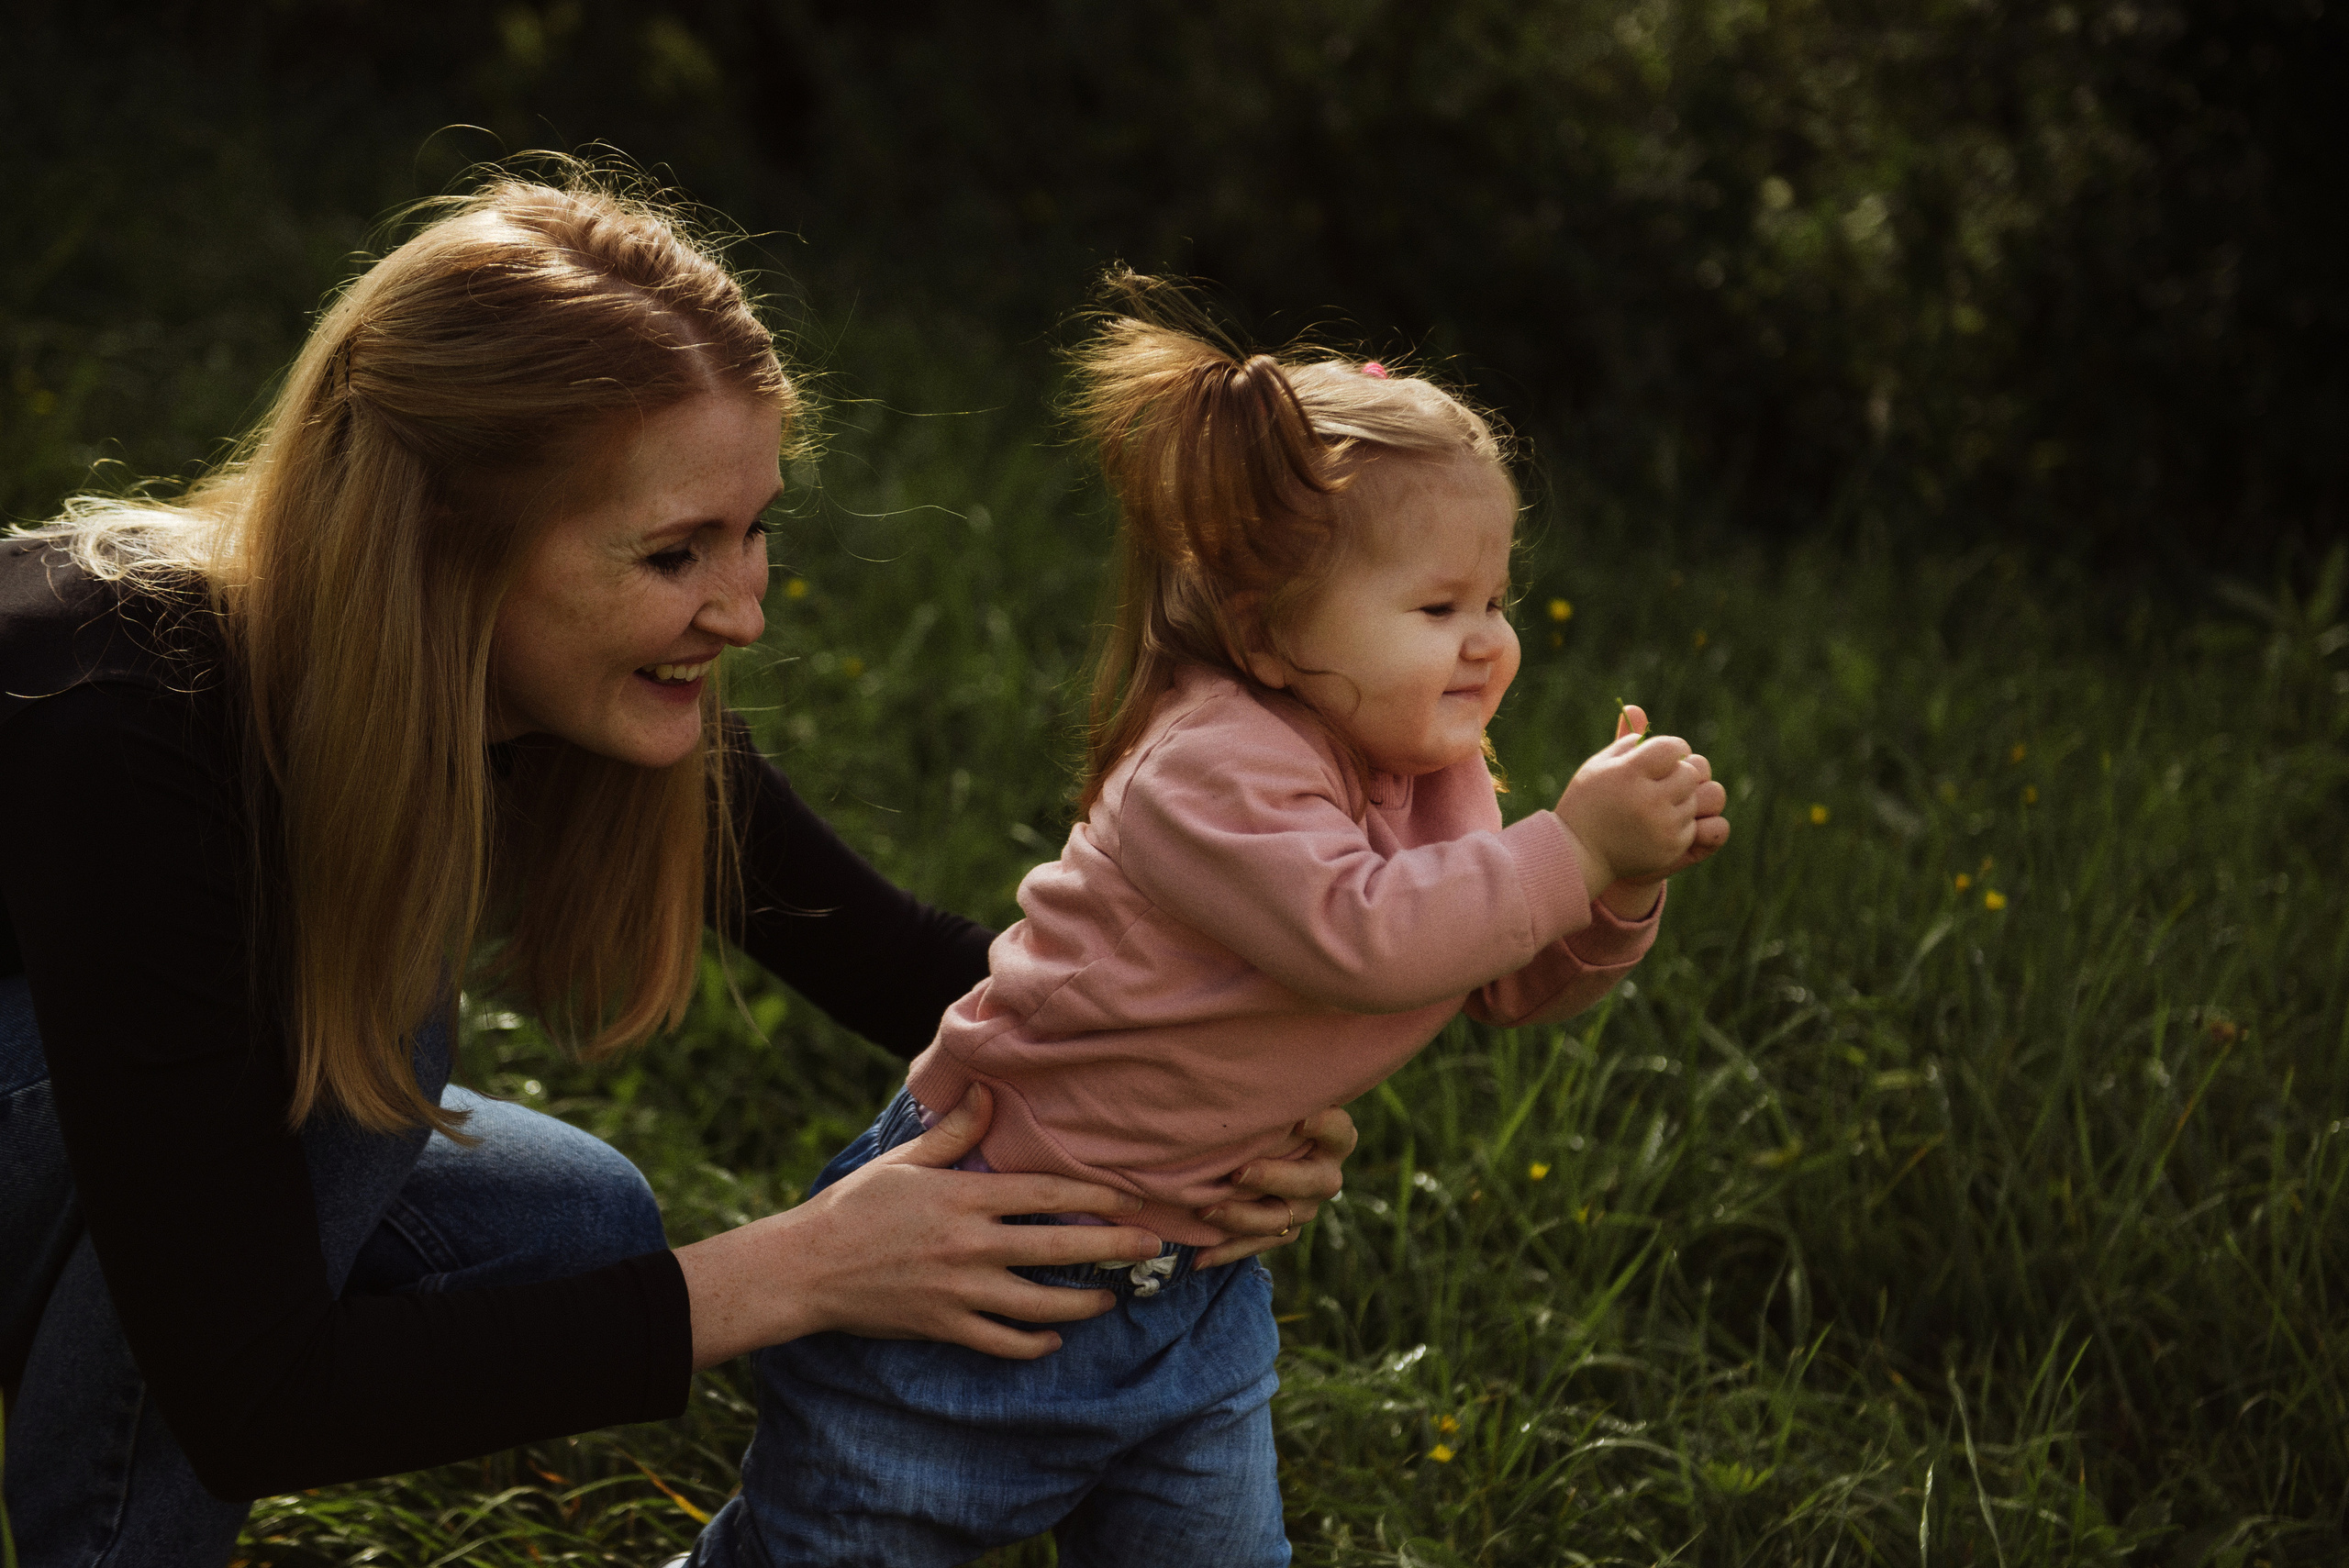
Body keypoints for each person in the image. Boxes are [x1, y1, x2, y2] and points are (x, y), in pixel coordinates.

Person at [0, 178, 1355, 1568]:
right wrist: (805, 1264)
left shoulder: (538, 679)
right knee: (353, 1029)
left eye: (755, 528)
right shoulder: (126, 714)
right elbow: (258, 1401)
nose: (746, 606)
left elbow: (891, 955)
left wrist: (1225, 1084)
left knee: (577, 1224)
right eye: (675, 551)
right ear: (442, 545)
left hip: (94, 1109)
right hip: (61, 1105)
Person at [693, 281, 1732, 1566]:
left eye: (1497, 601)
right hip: (975, 1258)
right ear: (1265, 628)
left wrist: (1617, 888)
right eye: (1437, 608)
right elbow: (1371, 938)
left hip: (1195, 1293)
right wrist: (1570, 849)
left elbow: (1500, 972)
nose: (1488, 645)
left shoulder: (1419, 759)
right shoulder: (1207, 766)